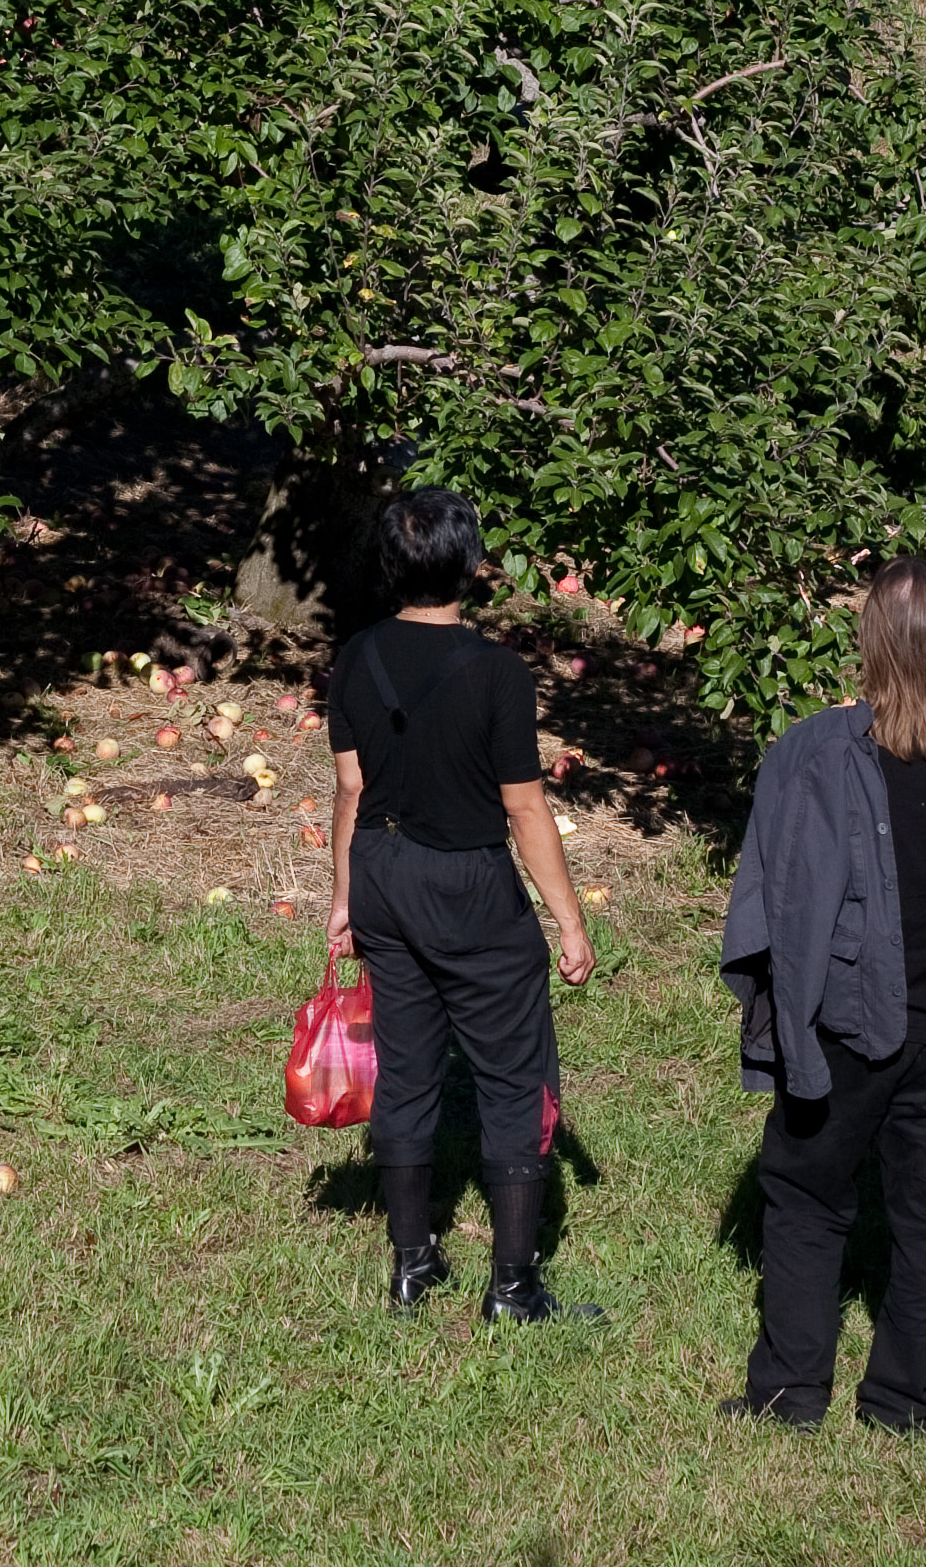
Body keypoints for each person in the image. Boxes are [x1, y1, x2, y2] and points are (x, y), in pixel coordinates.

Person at [721, 558, 926, 1430]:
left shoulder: (824, 752)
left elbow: (779, 884)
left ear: (870, 644)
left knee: (805, 1195)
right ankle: (905, 1403)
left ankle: (790, 1392)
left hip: (845, 1021)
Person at [324, 488, 597, 1323]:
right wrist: (570, 919)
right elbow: (522, 806)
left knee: (405, 1067)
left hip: (382, 874)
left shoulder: (355, 658)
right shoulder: (495, 673)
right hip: (467, 885)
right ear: (475, 566)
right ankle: (513, 1287)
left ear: (387, 565)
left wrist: (343, 896)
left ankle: (412, 1265)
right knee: (512, 1079)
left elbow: (349, 788)